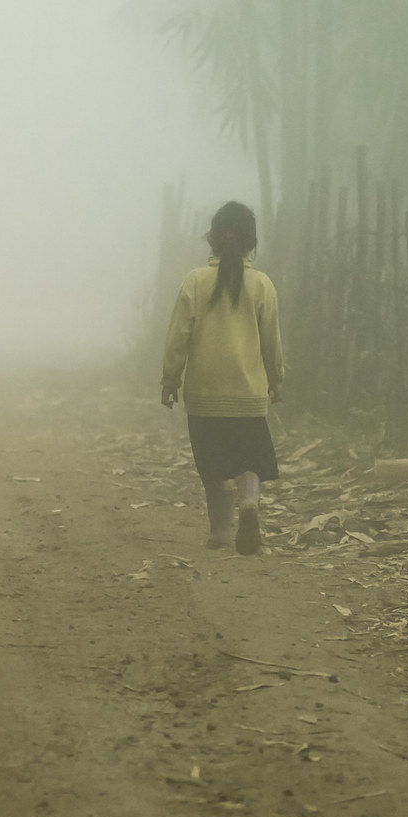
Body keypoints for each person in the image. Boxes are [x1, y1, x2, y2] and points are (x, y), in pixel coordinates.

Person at [159, 201, 284, 555]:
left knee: (213, 466)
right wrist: (276, 379)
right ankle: (249, 503)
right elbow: (272, 340)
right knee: (250, 459)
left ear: (211, 238)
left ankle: (219, 534)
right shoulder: (262, 285)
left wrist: (170, 379)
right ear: (252, 242)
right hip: (248, 393)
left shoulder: (195, 281)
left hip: (205, 394)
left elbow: (178, 336)